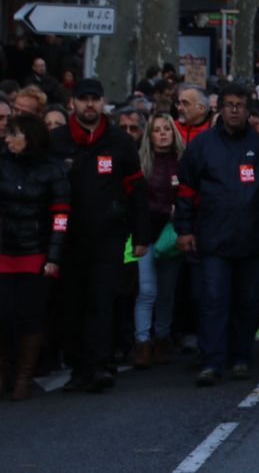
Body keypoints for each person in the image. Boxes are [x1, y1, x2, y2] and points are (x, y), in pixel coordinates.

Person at [174, 82, 259, 386]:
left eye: (240, 105)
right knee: (213, 300)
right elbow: (185, 189)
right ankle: (212, 361)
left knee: (247, 302)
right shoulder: (203, 144)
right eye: (230, 105)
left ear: (249, 110)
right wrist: (183, 229)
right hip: (213, 238)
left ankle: (241, 357)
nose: (235, 110)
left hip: (252, 238)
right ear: (219, 108)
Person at [52, 77, 144, 393]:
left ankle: (101, 366)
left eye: (94, 98)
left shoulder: (119, 142)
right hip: (69, 239)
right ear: (73, 103)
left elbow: (136, 190)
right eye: (83, 99)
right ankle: (79, 368)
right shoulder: (57, 141)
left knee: (102, 302)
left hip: (108, 236)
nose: (89, 104)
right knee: (72, 304)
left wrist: (141, 233)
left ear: (102, 102)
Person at [0, 112, 69, 401]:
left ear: (29, 137)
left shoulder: (53, 170)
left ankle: (23, 377)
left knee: (29, 315)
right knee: (3, 314)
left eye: (13, 134)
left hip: (35, 252)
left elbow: (61, 217)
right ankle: (3, 373)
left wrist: (53, 255)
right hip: (4, 249)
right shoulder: (2, 164)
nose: (7, 139)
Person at [133, 113, 185, 369]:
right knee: (146, 290)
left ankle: (162, 338)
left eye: (167, 128)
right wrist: (167, 210)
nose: (163, 133)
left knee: (167, 291)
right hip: (146, 233)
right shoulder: (142, 162)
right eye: (157, 130)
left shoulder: (183, 161)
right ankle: (142, 341)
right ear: (149, 135)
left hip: (173, 234)